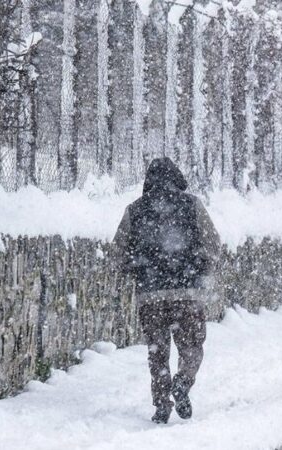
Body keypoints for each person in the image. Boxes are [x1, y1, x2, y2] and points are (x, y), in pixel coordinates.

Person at [113, 157, 220, 424]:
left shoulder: (134, 210)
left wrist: (137, 267)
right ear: (177, 177)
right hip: (188, 293)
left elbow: (117, 253)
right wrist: (201, 267)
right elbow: (213, 243)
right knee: (192, 346)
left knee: (157, 352)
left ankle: (162, 404)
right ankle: (183, 382)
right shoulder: (192, 205)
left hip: (151, 295)